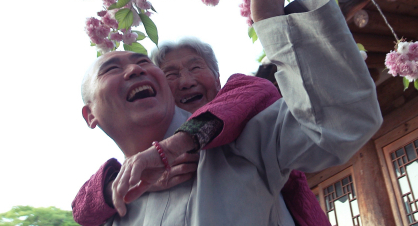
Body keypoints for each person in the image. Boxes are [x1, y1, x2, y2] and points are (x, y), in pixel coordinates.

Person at [78, 0, 382, 225]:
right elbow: (81, 208)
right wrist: (110, 189)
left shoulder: (244, 139)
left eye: (143, 61)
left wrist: (274, 22)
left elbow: (345, 118)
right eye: (111, 69)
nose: (135, 70)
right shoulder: (113, 202)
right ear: (89, 115)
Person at [73, 37, 331, 226]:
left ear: (219, 81)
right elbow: (80, 208)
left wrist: (175, 146)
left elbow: (257, 90)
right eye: (170, 74)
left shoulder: (248, 128)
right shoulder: (129, 183)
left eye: (196, 68)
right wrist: (114, 188)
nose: (186, 81)